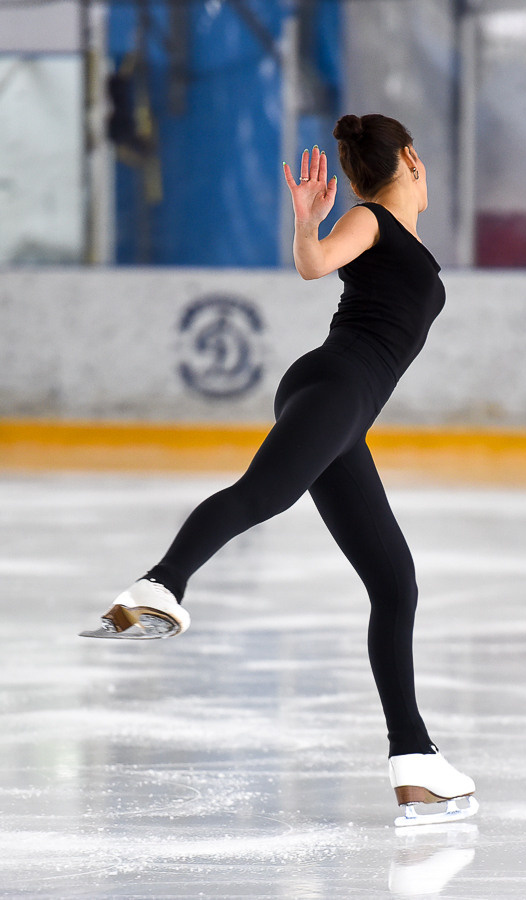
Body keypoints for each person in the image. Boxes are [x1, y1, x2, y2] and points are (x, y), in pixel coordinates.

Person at [81, 114, 477, 826]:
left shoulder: (402, 240)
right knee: (264, 494)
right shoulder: (371, 220)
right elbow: (314, 265)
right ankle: (159, 587)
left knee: (394, 583)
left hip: (341, 403)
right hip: (334, 386)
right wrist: (307, 223)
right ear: (411, 159)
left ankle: (415, 760)